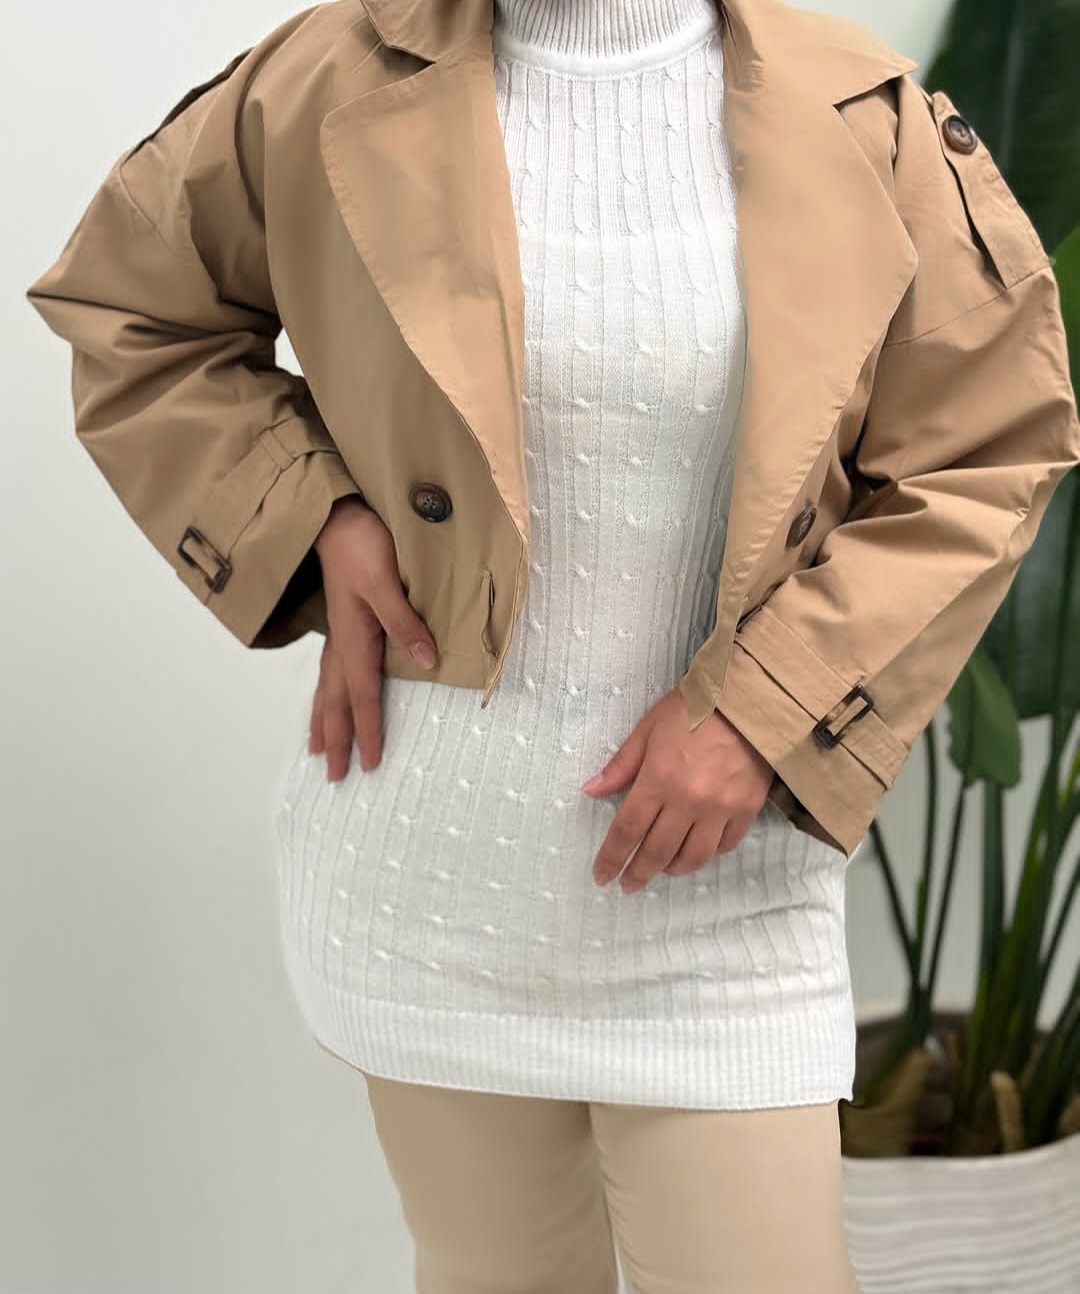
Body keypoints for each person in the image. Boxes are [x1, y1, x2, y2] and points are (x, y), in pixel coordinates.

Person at [25, 0, 1080, 1290]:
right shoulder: (323, 78)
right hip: (425, 889)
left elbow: (987, 442)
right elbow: (128, 308)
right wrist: (312, 522)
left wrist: (767, 708)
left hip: (726, 908)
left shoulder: (864, 112)